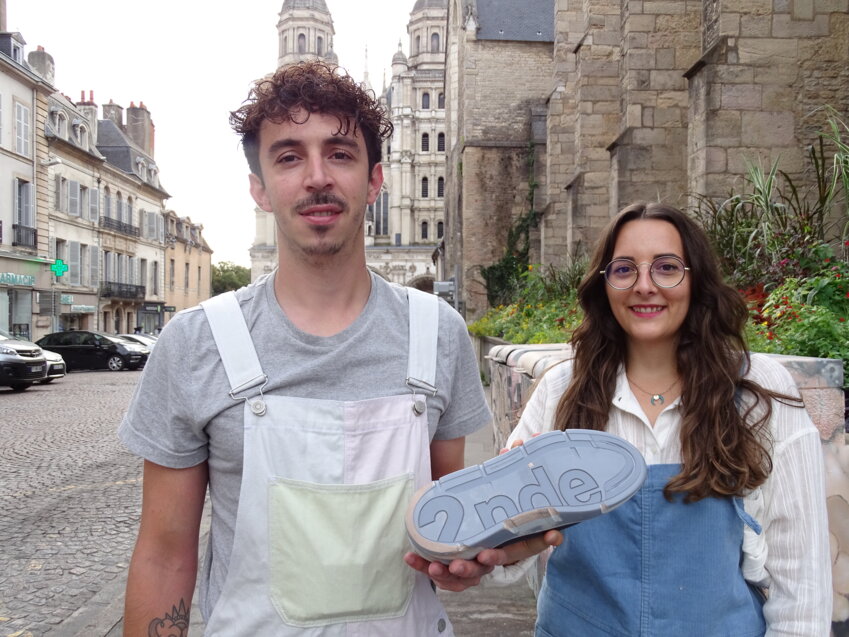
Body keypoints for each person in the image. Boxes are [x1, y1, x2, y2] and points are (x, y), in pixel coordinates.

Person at [118, 60, 535, 636]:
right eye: (289, 156)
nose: (317, 176)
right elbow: (164, 556)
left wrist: (473, 558)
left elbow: (445, 530)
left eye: (339, 153)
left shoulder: (436, 333)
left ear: (375, 180)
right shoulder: (197, 342)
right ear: (259, 188)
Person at [501, 202, 832, 636]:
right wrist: (487, 543)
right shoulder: (563, 389)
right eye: (624, 270)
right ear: (604, 286)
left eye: (667, 267)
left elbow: (800, 579)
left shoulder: (756, 392)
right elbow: (503, 544)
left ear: (697, 279)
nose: (645, 286)